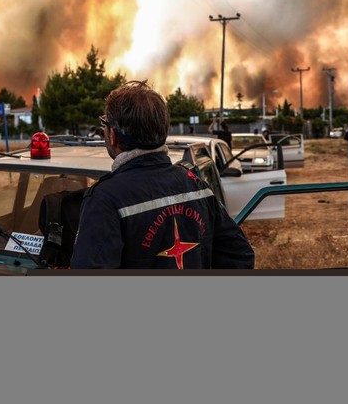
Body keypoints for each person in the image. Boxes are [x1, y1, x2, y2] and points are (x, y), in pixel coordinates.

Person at [71, 80, 255, 270]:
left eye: (105, 124)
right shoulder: (196, 185)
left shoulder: (105, 199)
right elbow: (240, 256)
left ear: (113, 136)